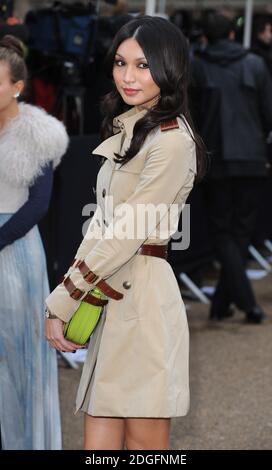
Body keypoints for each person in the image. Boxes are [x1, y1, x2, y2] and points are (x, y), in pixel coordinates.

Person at [45, 16, 205, 450]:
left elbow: (127, 231)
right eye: (120, 62)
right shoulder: (133, 127)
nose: (127, 76)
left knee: (145, 448)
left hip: (143, 304)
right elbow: (102, 224)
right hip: (110, 295)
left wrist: (64, 295)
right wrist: (69, 292)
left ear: (169, 67)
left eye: (142, 65)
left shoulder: (172, 141)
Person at [0, 35, 68, 449]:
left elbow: (38, 205)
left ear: (17, 86)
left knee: (17, 355)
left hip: (17, 250)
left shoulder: (39, 132)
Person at [192, 13, 272, 323]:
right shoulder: (254, 64)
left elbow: (194, 115)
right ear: (233, 35)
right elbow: (268, 113)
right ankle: (243, 303)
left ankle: (226, 302)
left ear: (205, 38)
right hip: (250, 157)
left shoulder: (199, 66)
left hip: (217, 159)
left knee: (226, 233)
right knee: (237, 233)